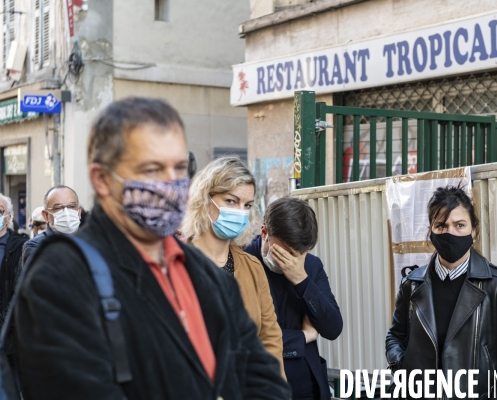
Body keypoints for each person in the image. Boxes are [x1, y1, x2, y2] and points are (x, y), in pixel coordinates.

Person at [14, 97, 290, 400]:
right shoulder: (61, 273)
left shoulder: (204, 274)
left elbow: (265, 379)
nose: (170, 183)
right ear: (103, 179)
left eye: (179, 168)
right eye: (152, 169)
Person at [385, 185, 497, 399]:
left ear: (474, 231)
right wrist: (401, 366)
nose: (450, 232)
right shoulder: (412, 284)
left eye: (459, 225)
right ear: (431, 231)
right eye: (441, 225)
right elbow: (395, 336)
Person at [182, 156, 285, 376]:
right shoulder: (176, 264)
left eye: (247, 205)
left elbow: (270, 340)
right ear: (205, 199)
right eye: (231, 201)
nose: (240, 212)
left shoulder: (252, 267)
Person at [245, 196, 343, 400]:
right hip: (261, 388)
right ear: (265, 233)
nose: (295, 261)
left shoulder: (311, 266)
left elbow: (333, 328)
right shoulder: (243, 265)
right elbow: (249, 340)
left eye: (302, 253)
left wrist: (302, 281)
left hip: (309, 386)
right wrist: (304, 336)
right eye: (287, 253)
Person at [21, 185, 82, 267]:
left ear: (79, 211)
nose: (67, 213)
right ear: (46, 215)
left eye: (71, 207)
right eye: (58, 208)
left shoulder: (90, 242)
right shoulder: (36, 246)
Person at [0, 194, 30, 358]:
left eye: (0, 210)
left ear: (8, 217)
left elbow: (20, 293)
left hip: (8, 341)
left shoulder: (20, 247)